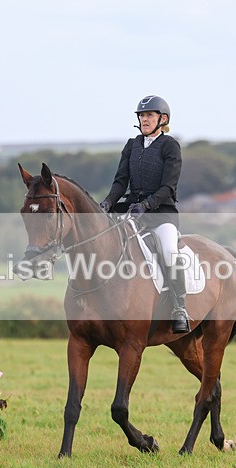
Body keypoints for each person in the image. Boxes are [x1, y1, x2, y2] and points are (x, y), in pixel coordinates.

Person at [100, 95, 189, 334]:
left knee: (169, 250)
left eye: (149, 115)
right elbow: (121, 182)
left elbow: (168, 187)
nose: (144, 119)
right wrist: (108, 202)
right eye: (141, 115)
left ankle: (180, 307)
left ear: (163, 119)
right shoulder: (132, 145)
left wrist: (147, 205)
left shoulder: (170, 146)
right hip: (131, 211)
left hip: (161, 214)